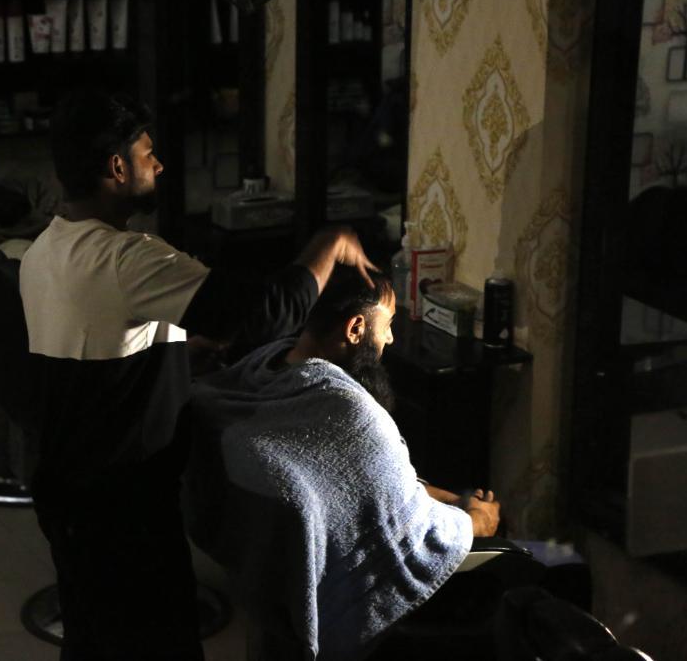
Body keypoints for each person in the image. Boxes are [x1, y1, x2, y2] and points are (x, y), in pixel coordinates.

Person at [19, 90, 378, 660]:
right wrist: (329, 246)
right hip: (120, 505)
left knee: (93, 642)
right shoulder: (127, 257)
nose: (159, 165)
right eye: (148, 153)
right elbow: (264, 314)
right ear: (117, 168)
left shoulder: (45, 251)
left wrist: (178, 355)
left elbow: (94, 354)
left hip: (66, 489)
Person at [184, 267, 501, 660]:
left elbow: (372, 482)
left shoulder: (263, 365)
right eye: (387, 325)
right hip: (314, 602)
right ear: (355, 329)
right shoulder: (353, 416)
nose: (390, 339)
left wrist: (446, 498)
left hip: (242, 571)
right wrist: (474, 520)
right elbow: (416, 530)